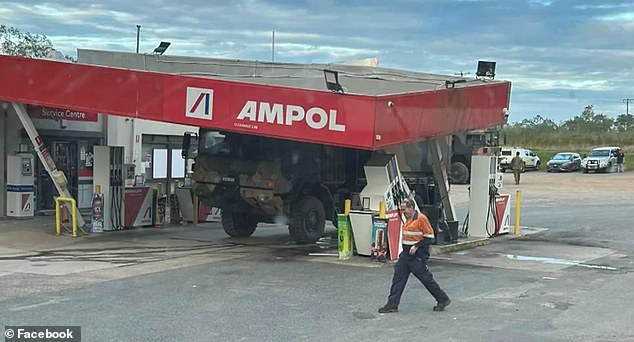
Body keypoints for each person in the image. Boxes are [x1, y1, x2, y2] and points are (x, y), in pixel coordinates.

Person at [378, 199, 451, 313]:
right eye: (402, 210)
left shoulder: (421, 219)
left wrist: (417, 246)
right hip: (406, 254)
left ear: (412, 208)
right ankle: (392, 304)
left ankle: (442, 299)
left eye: (405, 209)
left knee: (426, 279)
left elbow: (429, 236)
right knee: (398, 279)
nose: (403, 212)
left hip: (417, 256)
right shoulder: (407, 219)